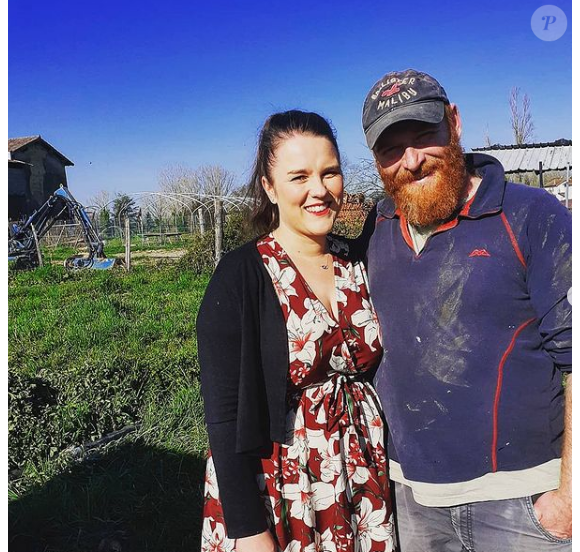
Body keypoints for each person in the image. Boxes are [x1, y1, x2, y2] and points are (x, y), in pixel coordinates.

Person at [357, 69, 573, 551]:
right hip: (412, 498)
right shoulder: (377, 227)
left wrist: (567, 503)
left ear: (453, 123)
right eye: (391, 148)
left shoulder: (533, 215)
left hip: (522, 499)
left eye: (424, 135)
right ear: (375, 159)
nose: (410, 161)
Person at [198, 110, 396, 552]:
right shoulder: (240, 276)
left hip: (360, 475)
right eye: (299, 177)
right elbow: (224, 415)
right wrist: (249, 529)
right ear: (269, 188)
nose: (319, 191)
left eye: (330, 173)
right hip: (282, 486)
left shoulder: (358, 260)